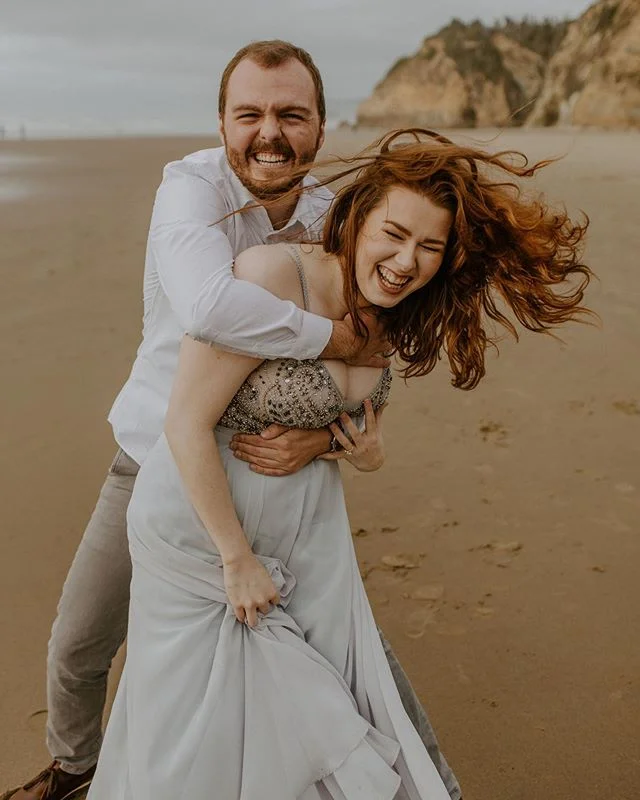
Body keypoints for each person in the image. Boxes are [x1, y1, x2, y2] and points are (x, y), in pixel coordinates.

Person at [2, 43, 459, 800]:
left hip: (279, 479)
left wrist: (332, 434)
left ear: (319, 128)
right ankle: (74, 770)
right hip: (160, 452)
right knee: (82, 642)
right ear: (221, 122)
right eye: (249, 114)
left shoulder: (335, 218)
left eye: (291, 115)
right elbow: (212, 308)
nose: (270, 133)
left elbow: (376, 349)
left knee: (344, 652)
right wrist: (329, 338)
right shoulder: (191, 191)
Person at [87, 129, 591, 798]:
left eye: (429, 247)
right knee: (201, 732)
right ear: (357, 218)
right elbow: (185, 422)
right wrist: (236, 559)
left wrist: (343, 447)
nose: (406, 260)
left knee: (331, 709)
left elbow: (353, 418)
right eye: (394, 233)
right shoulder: (271, 276)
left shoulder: (392, 314)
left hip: (313, 535)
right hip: (205, 530)